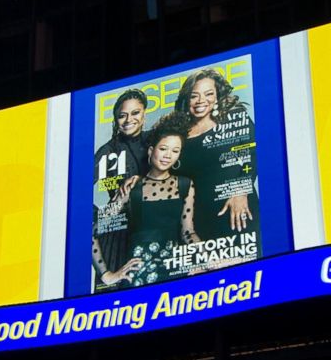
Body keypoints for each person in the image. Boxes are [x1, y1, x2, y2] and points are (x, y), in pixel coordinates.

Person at [93, 112, 201, 287]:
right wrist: (106, 274)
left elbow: (188, 232)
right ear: (151, 151)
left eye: (175, 151)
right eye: (163, 148)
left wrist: (207, 257)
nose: (168, 155)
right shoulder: (131, 188)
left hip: (174, 270)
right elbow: (93, 230)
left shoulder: (185, 185)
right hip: (138, 276)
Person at [173, 68, 260, 247]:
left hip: (237, 209)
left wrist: (241, 190)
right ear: (186, 99)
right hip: (196, 222)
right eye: (194, 95)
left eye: (208, 94)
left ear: (217, 96)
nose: (201, 101)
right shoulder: (177, 134)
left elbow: (255, 153)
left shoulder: (234, 118)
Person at [93, 89, 150, 291]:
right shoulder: (107, 152)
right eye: (122, 115)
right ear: (116, 119)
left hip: (152, 231)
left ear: (145, 114)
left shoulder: (157, 141)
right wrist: (104, 216)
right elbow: (75, 198)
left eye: (135, 113)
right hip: (116, 238)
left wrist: (143, 179)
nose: (129, 120)